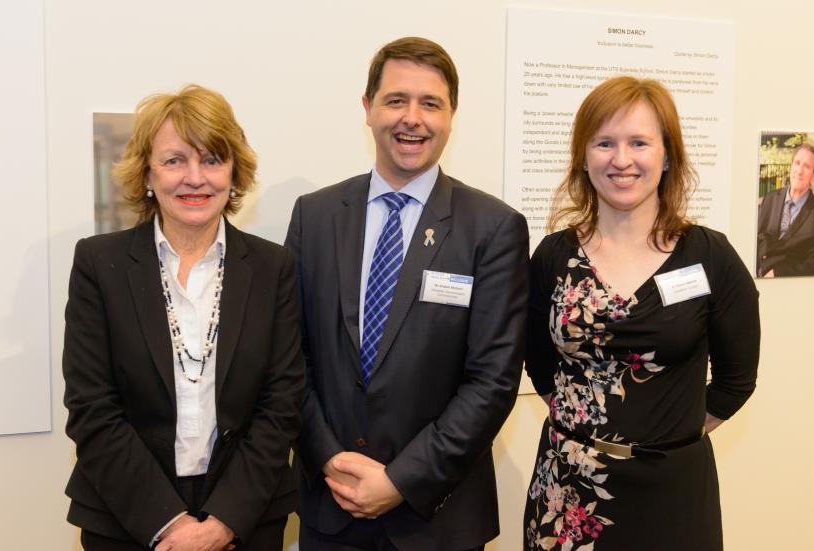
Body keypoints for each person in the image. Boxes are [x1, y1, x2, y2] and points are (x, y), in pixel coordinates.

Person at [286, 37, 529, 550]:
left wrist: (401, 480)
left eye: (430, 103)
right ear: (368, 108)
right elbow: (289, 358)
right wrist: (326, 457)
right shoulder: (314, 216)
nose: (411, 119)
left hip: (437, 519)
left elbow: (493, 380)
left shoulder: (493, 228)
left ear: (451, 115)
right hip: (331, 508)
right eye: (396, 100)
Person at [63, 84, 304, 551]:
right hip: (126, 514)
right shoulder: (99, 264)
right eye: (174, 160)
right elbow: (92, 408)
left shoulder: (275, 268)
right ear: (148, 174)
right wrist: (169, 525)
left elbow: (282, 403)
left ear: (234, 173)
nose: (195, 178)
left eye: (212, 159)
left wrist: (224, 522)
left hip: (246, 519)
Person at [523, 76, 759, 550]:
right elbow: (538, 360)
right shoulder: (553, 256)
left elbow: (736, 380)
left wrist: (665, 437)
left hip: (672, 492)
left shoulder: (710, 257)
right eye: (605, 142)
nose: (622, 159)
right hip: (568, 489)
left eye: (639, 142)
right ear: (584, 158)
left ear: (668, 156)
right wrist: (583, 433)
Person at [756, 143, 814, 277]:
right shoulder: (770, 199)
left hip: (787, 282)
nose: (799, 171)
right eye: (797, 163)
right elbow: (757, 237)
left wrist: (779, 273)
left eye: (807, 166)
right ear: (791, 167)